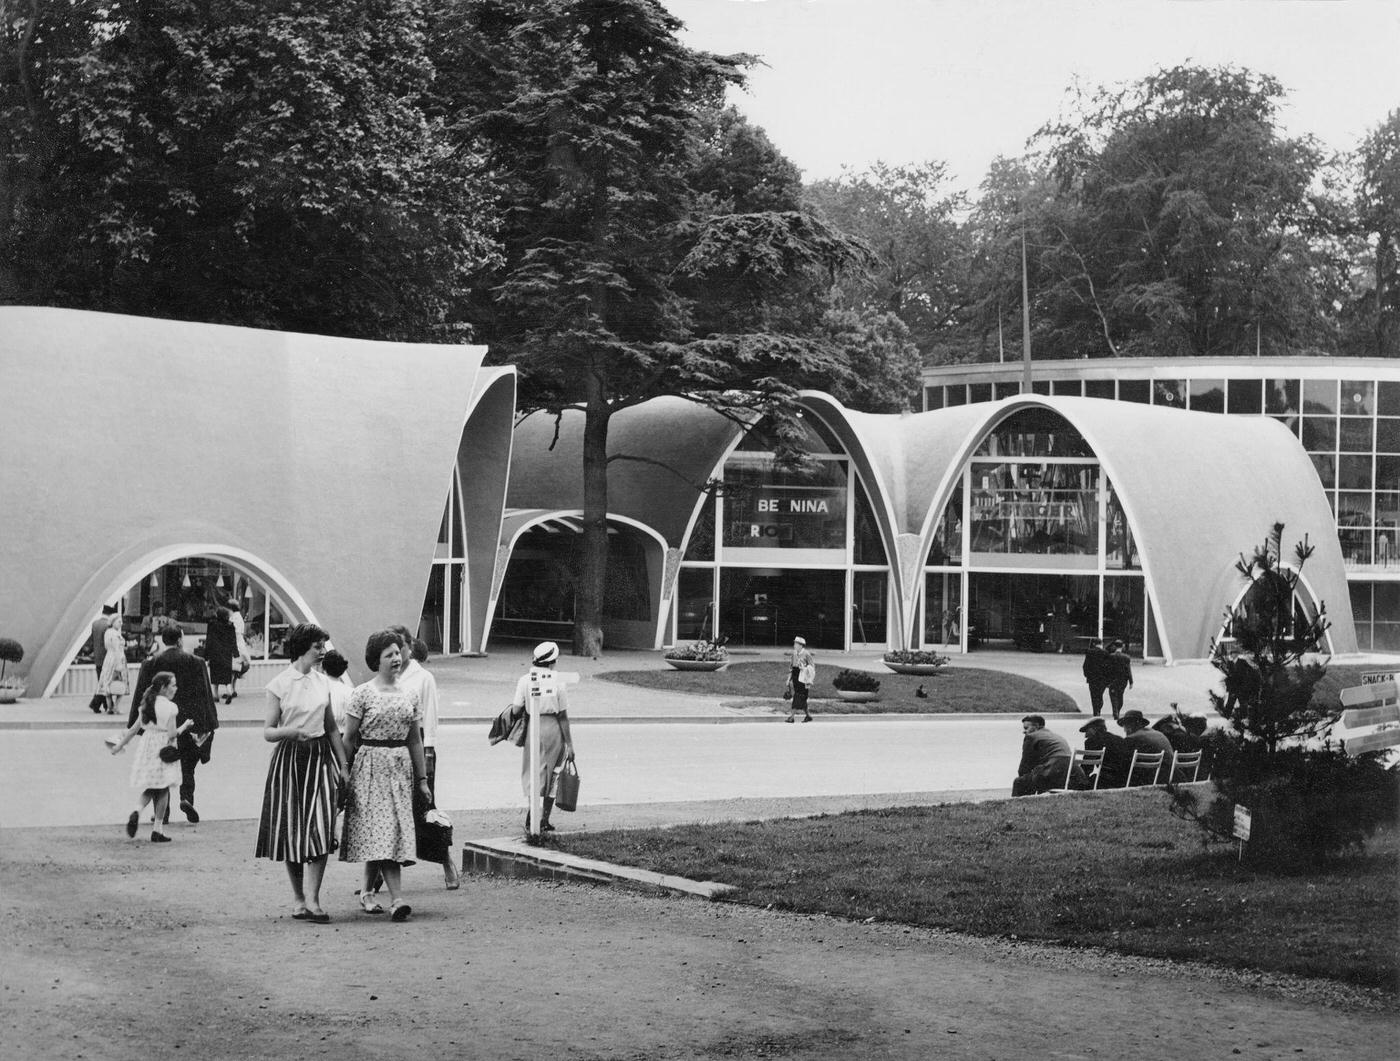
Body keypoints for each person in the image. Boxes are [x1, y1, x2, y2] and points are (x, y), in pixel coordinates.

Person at [255, 623, 348, 924]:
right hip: (290, 758)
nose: (323, 652)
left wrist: (344, 766)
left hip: (320, 756)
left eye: (324, 646)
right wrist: (289, 732)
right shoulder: (279, 684)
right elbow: (268, 731)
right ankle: (298, 899)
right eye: (318, 647)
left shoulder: (324, 683)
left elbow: (332, 727)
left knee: (322, 825)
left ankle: (314, 899)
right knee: (292, 827)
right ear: (302, 648)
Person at [340, 630, 431, 922]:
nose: (395, 658)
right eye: (388, 654)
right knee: (383, 832)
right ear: (375, 660)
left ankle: (367, 893)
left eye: (397, 652)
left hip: (400, 770)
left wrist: (422, 779)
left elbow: (415, 740)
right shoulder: (362, 693)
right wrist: (342, 771)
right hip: (370, 768)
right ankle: (397, 899)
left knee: (387, 832)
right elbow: (349, 737)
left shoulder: (410, 693)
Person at [128, 624, 219, 824]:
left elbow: (142, 694)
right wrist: (208, 724)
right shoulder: (196, 662)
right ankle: (186, 798)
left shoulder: (151, 663)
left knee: (163, 768)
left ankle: (163, 813)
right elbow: (205, 695)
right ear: (180, 639)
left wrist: (138, 724)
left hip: (161, 724)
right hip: (188, 722)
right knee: (188, 765)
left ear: (163, 640)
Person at [109, 671, 192, 842]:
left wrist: (118, 746)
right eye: (173, 685)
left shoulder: (146, 705)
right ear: (163, 687)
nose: (175, 688)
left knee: (152, 787)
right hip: (163, 748)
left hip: (147, 748)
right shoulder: (170, 708)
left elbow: (132, 730)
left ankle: (137, 810)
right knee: (164, 789)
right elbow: (171, 734)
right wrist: (185, 726)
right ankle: (157, 830)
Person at [508, 641, 576, 838]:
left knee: (533, 771)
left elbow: (515, 709)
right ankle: (544, 819)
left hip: (533, 728)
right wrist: (569, 744)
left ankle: (533, 812)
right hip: (553, 729)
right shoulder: (559, 682)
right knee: (553, 774)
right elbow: (563, 716)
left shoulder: (524, 680)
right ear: (552, 662)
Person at [1011, 715, 1085, 796]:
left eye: (1026, 728)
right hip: (1072, 776)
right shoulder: (1056, 736)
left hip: (1052, 774)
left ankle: (1020, 807)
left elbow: (1024, 766)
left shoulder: (1031, 737)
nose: (1024, 731)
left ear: (1036, 726)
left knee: (1019, 782)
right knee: (1032, 777)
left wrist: (1024, 777)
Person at [1118, 709, 1175, 785]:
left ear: (1132, 725)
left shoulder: (1135, 737)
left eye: (1126, 726)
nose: (1125, 730)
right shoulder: (1157, 733)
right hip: (1172, 773)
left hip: (1157, 776)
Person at [1078, 716, 1131, 788]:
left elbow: (1087, 767)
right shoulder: (1119, 739)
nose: (1085, 735)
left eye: (1087, 731)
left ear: (1093, 729)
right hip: (1124, 780)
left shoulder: (1092, 741)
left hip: (1106, 780)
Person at [204, 606, 239, 705]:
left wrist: (206, 656)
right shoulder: (230, 626)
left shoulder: (212, 624)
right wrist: (235, 653)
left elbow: (209, 640)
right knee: (227, 676)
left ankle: (215, 696)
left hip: (215, 653)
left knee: (215, 676)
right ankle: (229, 691)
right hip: (226, 654)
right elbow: (233, 641)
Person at [88, 604, 118, 713]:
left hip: (97, 657)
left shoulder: (95, 624)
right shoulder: (108, 626)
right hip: (106, 658)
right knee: (105, 682)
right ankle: (95, 704)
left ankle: (106, 705)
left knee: (103, 681)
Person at [97, 611, 127, 715]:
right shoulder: (114, 634)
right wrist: (119, 665)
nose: (121, 623)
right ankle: (116, 707)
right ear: (113, 622)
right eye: (119, 621)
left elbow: (107, 647)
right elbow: (117, 649)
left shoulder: (108, 632)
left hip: (108, 658)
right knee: (121, 684)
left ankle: (110, 707)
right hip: (116, 659)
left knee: (107, 683)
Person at [320, 649, 353, 735]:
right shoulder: (350, 692)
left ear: (323, 668)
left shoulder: (319, 689)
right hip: (344, 736)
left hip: (323, 737)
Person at [785, 636, 815, 723]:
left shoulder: (806, 654)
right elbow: (791, 667)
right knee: (801, 697)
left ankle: (791, 717)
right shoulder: (794, 654)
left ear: (801, 645)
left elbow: (812, 667)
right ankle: (808, 716)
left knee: (799, 696)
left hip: (803, 677)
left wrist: (805, 669)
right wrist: (788, 679)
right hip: (795, 676)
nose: (794, 645)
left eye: (796, 643)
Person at [227, 599, 252, 701]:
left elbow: (232, 632)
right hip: (239, 643)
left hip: (236, 644)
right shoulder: (238, 616)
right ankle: (233, 689)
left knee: (234, 668)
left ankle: (232, 689)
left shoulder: (234, 618)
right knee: (235, 669)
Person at [1081, 640, 1112, 718]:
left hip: (1092, 678)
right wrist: (1109, 679)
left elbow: (1085, 665)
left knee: (1094, 695)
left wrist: (1087, 675)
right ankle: (1098, 709)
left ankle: (1096, 711)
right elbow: (1109, 667)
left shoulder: (1089, 652)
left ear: (1094, 644)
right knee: (1100, 694)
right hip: (1103, 679)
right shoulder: (1106, 653)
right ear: (1101, 644)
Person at [1106, 639, 1134, 720]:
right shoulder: (1126, 657)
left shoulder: (1110, 656)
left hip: (1112, 681)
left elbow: (1107, 670)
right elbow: (1128, 670)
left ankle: (1115, 713)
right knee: (1120, 697)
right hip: (1123, 681)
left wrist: (1106, 681)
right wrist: (1131, 682)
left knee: (1113, 697)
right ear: (1122, 646)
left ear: (1115, 646)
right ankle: (1117, 711)